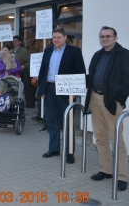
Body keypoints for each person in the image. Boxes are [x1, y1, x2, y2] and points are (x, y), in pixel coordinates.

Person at [84, 26, 129, 191]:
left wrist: (119, 98)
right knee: (101, 136)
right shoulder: (98, 55)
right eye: (102, 36)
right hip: (95, 99)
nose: (104, 39)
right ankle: (106, 169)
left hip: (111, 101)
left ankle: (122, 176)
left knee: (116, 139)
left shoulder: (124, 55)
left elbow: (128, 80)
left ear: (115, 38)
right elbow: (91, 76)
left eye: (108, 36)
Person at [38, 27, 85, 164]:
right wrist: (42, 90)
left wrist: (75, 90)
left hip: (66, 91)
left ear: (65, 38)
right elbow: (43, 71)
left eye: (59, 37)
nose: (56, 40)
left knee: (68, 122)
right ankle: (54, 149)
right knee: (51, 121)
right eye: (54, 37)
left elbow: (80, 71)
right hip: (50, 88)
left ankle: (69, 152)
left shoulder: (74, 51)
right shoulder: (48, 50)